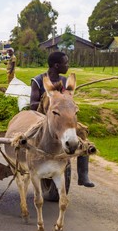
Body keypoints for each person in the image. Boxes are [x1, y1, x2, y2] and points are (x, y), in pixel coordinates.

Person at [30, 51, 95, 187]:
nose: (68, 66)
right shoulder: (38, 80)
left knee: (82, 132)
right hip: (43, 117)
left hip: (63, 119)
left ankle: (83, 175)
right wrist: (51, 102)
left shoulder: (65, 81)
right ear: (56, 65)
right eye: (66, 63)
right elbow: (32, 104)